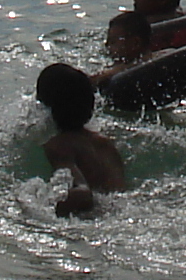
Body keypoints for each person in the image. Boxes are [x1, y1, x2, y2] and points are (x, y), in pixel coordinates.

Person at [34, 62, 128, 217]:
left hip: (93, 222)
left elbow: (83, 194)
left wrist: (37, 207)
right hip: (120, 215)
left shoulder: (59, 146)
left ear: (47, 106)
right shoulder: (105, 143)